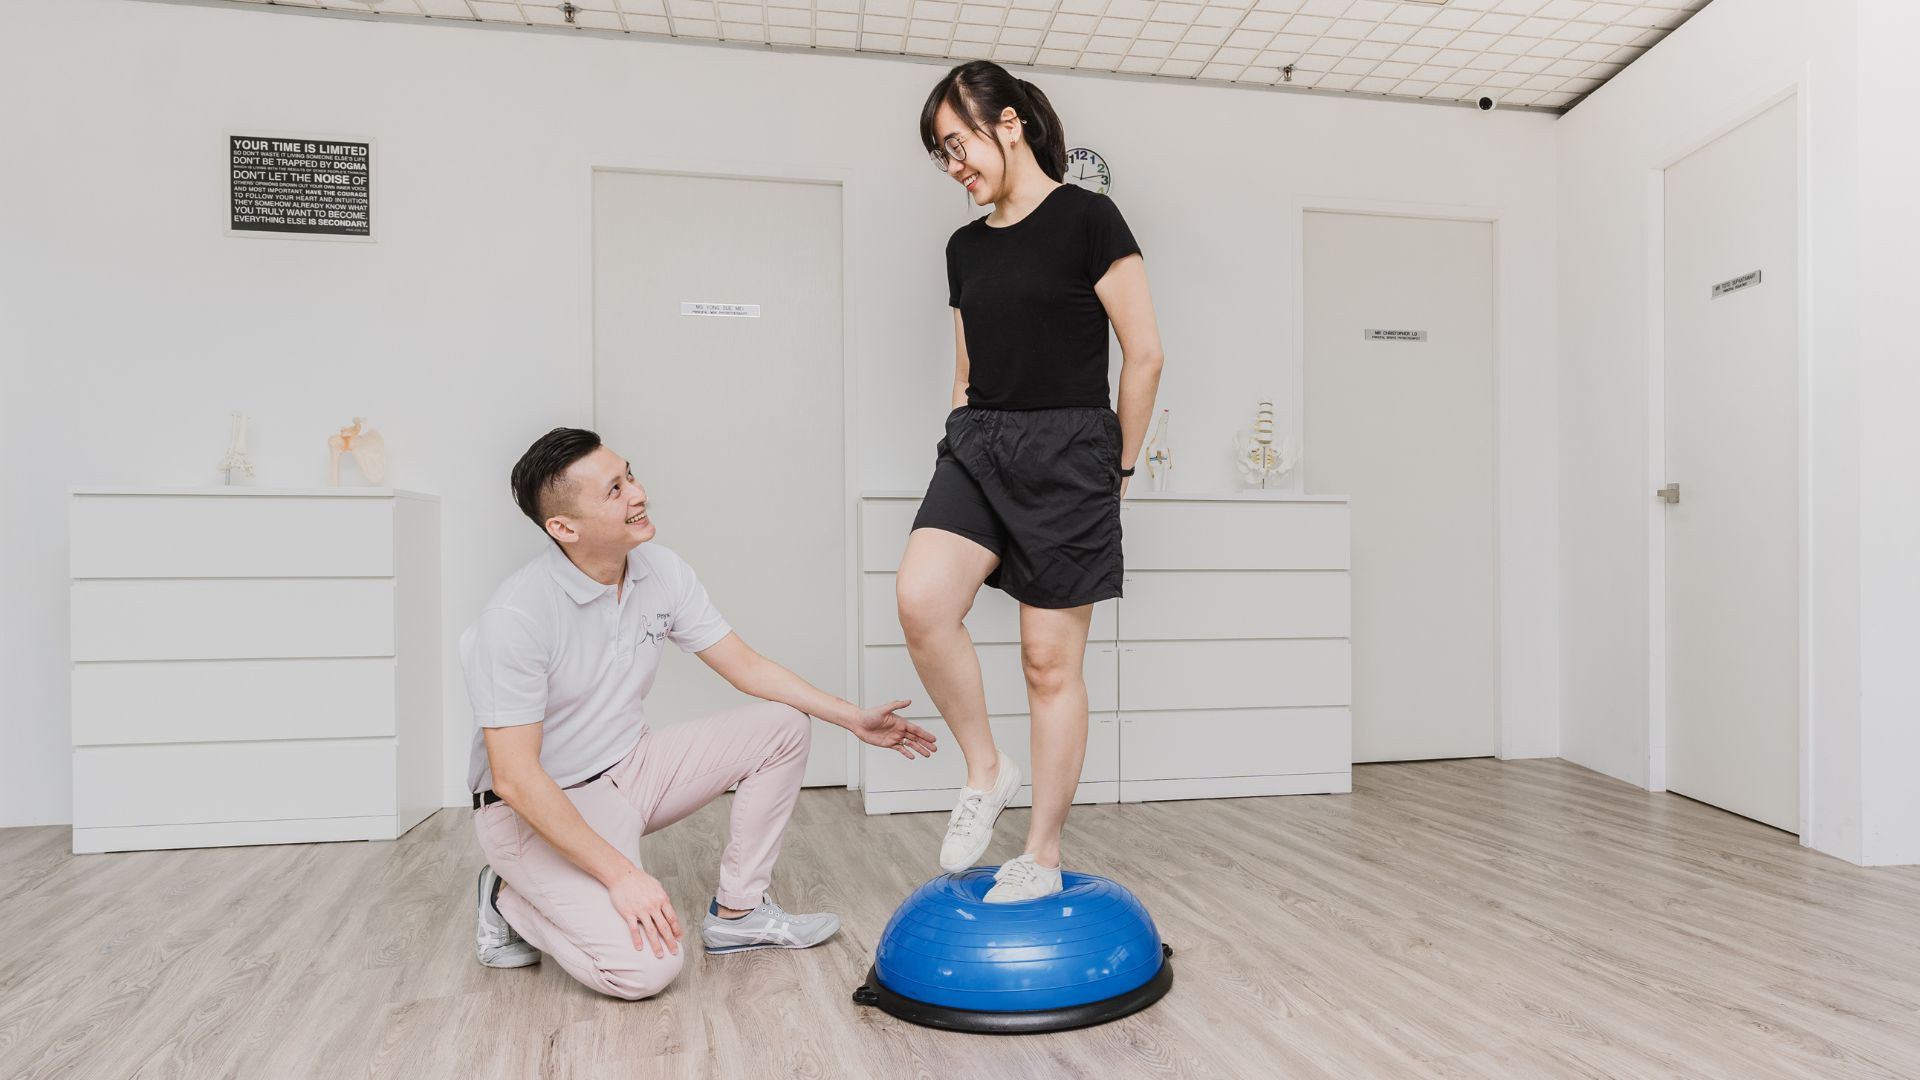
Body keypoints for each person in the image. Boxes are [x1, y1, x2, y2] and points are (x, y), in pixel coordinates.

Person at [464, 427, 937, 999]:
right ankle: (507, 896)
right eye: (614, 490)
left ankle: (740, 914)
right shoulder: (517, 616)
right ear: (564, 527)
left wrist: (852, 718)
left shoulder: (659, 569)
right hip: (535, 811)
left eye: (630, 475)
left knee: (782, 725)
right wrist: (622, 876)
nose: (638, 494)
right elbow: (515, 777)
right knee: (645, 972)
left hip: (631, 772)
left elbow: (746, 667)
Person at [897, 62, 1166, 903]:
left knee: (1048, 665)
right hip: (979, 440)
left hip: (1070, 450)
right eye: (941, 157)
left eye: (957, 145)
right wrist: (954, 437)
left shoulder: (1089, 218)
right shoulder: (964, 247)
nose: (954, 169)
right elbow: (966, 367)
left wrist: (1117, 465)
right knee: (921, 600)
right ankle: (986, 766)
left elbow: (1146, 352)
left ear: (1007, 122)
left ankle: (1040, 853)